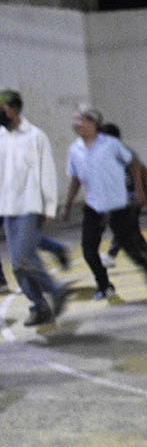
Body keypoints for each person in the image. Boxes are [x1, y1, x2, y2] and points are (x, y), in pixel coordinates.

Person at [61, 107, 147, 301]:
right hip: (93, 205)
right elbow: (76, 179)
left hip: (117, 204)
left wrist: (139, 191)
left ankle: (144, 263)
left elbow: (135, 164)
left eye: (84, 119)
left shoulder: (111, 144)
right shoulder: (74, 149)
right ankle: (104, 285)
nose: (79, 123)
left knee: (126, 243)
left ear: (95, 124)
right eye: (77, 120)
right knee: (88, 250)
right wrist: (68, 204)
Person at [0, 89, 67, 326]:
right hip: (7, 208)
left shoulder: (35, 136)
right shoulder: (1, 137)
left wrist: (49, 207)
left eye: (3, 108)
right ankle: (40, 306)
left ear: (14, 109)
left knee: (23, 258)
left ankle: (56, 291)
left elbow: (47, 171)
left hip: (30, 205)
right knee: (17, 265)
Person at [99, 123, 147, 267]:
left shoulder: (124, 152)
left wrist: (144, 192)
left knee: (124, 227)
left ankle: (111, 255)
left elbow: (142, 170)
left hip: (130, 197)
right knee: (131, 228)